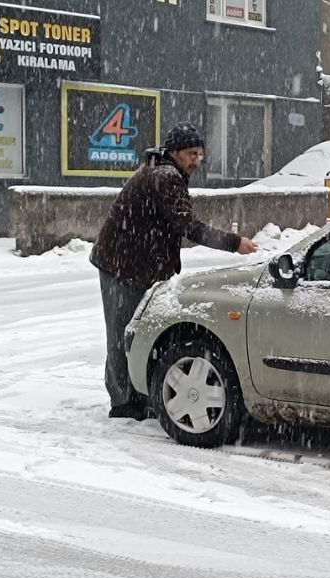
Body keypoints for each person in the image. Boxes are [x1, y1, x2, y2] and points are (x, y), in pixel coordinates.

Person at [90, 122, 258, 420]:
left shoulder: (163, 171)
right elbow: (188, 225)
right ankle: (123, 403)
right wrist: (235, 243)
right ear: (175, 152)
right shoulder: (166, 177)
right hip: (122, 266)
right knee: (123, 333)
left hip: (134, 263)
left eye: (200, 155)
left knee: (133, 331)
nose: (196, 160)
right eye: (191, 153)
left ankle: (132, 395)